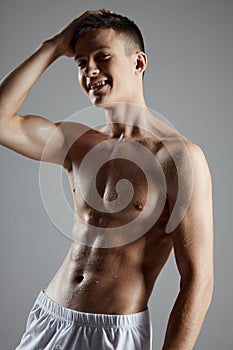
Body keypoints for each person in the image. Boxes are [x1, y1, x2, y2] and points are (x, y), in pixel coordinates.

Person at [0, 9, 214, 350]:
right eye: (81, 62)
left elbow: (198, 281)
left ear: (138, 63)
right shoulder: (78, 143)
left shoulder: (178, 158)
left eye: (103, 57)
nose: (91, 71)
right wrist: (54, 46)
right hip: (49, 317)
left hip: (111, 332)